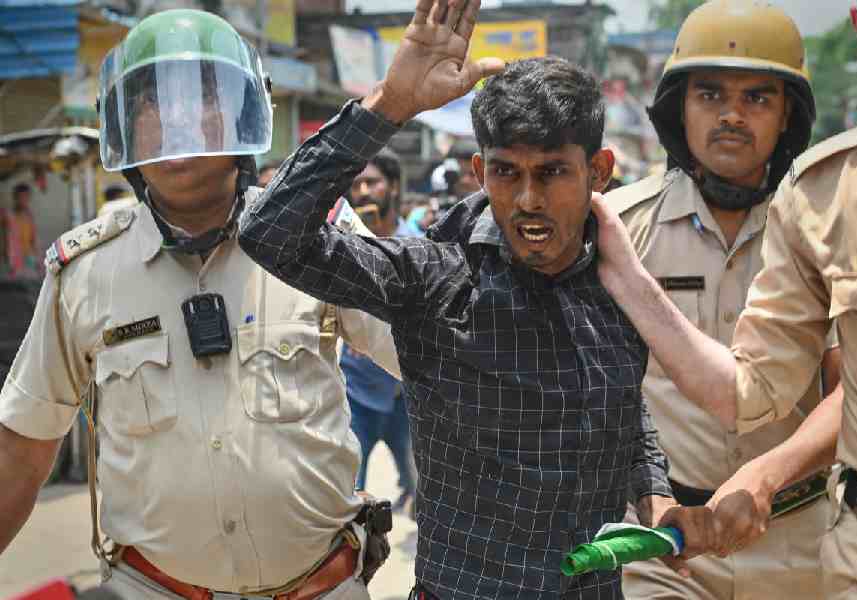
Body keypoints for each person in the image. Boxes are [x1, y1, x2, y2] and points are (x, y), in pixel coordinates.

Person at [239, 1, 718, 598]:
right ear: (478, 170)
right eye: (506, 173)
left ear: (598, 170)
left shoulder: (619, 277)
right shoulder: (436, 278)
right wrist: (390, 102)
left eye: (551, 173)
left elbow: (623, 404)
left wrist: (655, 490)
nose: (526, 200)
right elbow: (270, 232)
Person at [0, 9, 399, 600]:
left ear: (243, 113)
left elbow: (428, 362)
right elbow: (23, 450)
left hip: (321, 588)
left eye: (200, 95)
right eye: (150, 101)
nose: (174, 118)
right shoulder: (84, 273)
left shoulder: (321, 237)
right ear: (124, 125)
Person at [590, 0, 857, 597]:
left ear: (788, 114)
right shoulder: (617, 232)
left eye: (758, 98)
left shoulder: (823, 216)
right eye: (709, 95)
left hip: (798, 538)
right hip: (663, 541)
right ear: (678, 107)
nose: (732, 116)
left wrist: (766, 478)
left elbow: (855, 387)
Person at [342, 147, 417, 511]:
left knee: (422, 485)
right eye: (356, 184)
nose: (364, 192)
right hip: (356, 393)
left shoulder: (419, 246)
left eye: (372, 182)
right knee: (346, 489)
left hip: (408, 396)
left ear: (394, 188)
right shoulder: (339, 247)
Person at [5, 183, 40, 278]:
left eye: (26, 197)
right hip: (12, 261)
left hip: (29, 259)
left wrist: (37, 260)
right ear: (15, 198)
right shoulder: (7, 216)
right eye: (20, 197)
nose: (23, 200)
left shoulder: (29, 216)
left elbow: (33, 239)